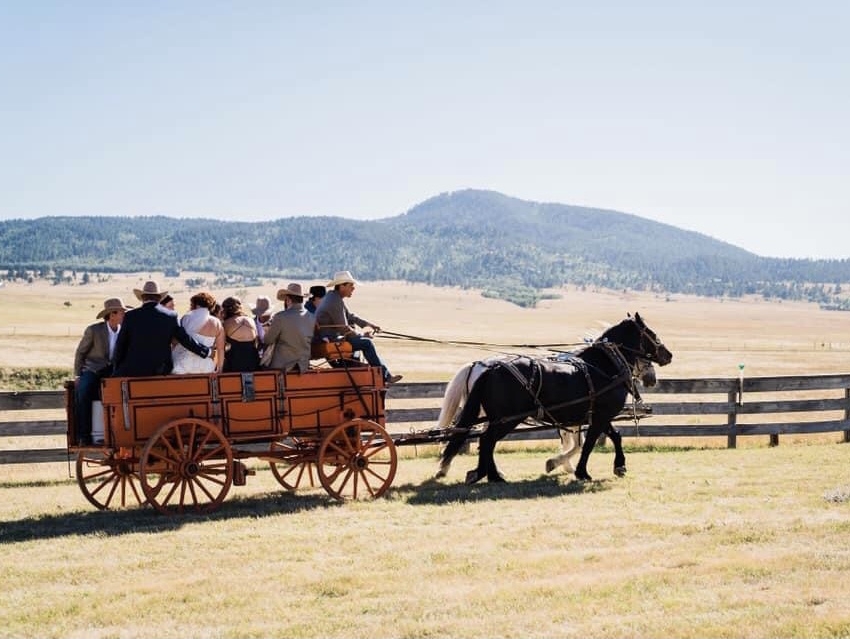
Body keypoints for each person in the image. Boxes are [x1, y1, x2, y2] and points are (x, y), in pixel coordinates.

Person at [315, 270, 402, 384]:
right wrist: (361, 336)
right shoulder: (334, 300)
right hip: (331, 339)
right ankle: (385, 376)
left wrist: (369, 324)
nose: (353, 289)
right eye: (351, 285)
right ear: (342, 286)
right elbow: (343, 328)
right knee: (367, 343)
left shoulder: (333, 297)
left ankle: (385, 375)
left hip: (330, 337)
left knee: (364, 341)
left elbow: (349, 316)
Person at [112, 280, 213, 377]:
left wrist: (117, 369)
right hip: (161, 369)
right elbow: (185, 339)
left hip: (134, 369)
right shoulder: (170, 316)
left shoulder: (130, 316)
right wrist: (205, 351)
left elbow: (121, 345)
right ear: (159, 298)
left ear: (142, 298)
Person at [73, 297, 130, 445]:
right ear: (112, 315)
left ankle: (116, 434)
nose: (124, 315)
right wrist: (78, 374)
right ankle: (83, 435)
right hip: (93, 369)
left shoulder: (124, 331)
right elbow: (81, 353)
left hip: (112, 372)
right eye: (122, 313)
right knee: (83, 391)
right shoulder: (94, 330)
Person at [263, 283, 315, 372]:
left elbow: (268, 340)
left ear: (288, 300)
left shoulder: (280, 317)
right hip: (303, 366)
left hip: (282, 366)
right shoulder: (311, 317)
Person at [172, 291, 225, 374]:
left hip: (184, 365)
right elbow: (221, 349)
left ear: (196, 304)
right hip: (205, 366)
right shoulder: (217, 323)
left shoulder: (186, 318)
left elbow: (176, 341)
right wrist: (220, 369)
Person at [221, 296, 261, 372]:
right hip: (253, 361)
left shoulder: (226, 323)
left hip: (234, 363)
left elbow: (221, 346)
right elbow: (257, 342)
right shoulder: (251, 320)